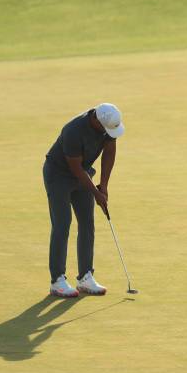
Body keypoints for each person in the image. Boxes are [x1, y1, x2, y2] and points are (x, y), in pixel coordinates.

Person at [43, 103, 124, 297]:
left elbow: (110, 151)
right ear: (96, 121)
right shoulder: (73, 130)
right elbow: (75, 168)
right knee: (62, 224)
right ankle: (57, 281)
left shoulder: (107, 126)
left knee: (87, 223)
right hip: (59, 175)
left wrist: (103, 186)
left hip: (83, 172)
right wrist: (96, 194)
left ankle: (86, 277)